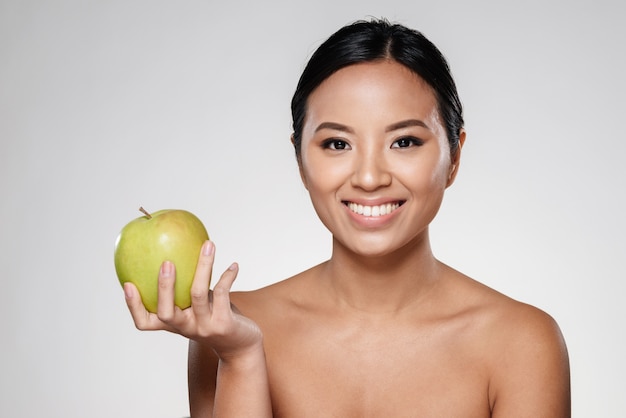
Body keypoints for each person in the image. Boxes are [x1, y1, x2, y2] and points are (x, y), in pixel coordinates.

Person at [124, 18, 571, 417]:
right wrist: (240, 356)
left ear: (454, 157)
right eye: (337, 144)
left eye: (405, 142)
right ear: (300, 160)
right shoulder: (228, 327)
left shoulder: (522, 344)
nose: (370, 177)